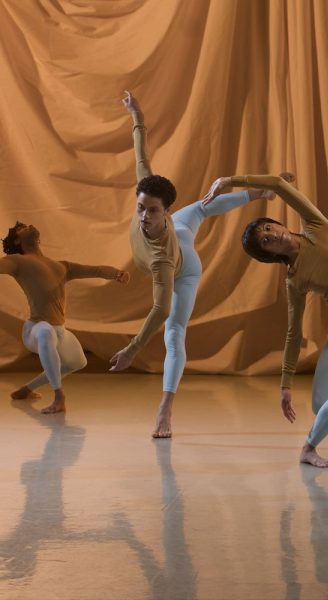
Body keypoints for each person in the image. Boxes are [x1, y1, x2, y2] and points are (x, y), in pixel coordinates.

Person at [203, 173, 328, 468]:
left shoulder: (316, 226)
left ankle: (309, 447)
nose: (272, 235)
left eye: (269, 228)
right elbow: (293, 333)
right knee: (321, 404)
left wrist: (228, 181)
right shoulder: (294, 280)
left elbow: (278, 184)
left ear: (278, 223)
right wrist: (285, 384)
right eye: (266, 241)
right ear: (269, 255)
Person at [109, 92, 274, 438]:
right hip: (181, 226)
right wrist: (137, 114)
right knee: (201, 207)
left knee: (173, 333)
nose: (144, 216)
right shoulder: (148, 196)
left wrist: (133, 349)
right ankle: (258, 193)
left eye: (153, 211)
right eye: (141, 207)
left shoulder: (163, 260)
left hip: (185, 267)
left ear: (165, 210)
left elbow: (161, 309)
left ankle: (165, 408)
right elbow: (141, 154)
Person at [1, 222, 129, 413]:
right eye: (22, 228)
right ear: (18, 241)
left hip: (59, 330)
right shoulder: (17, 261)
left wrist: (117, 274)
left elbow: (95, 270)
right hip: (35, 329)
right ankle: (59, 397)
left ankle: (26, 390)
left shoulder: (61, 266)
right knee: (46, 332)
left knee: (78, 362)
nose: (29, 225)